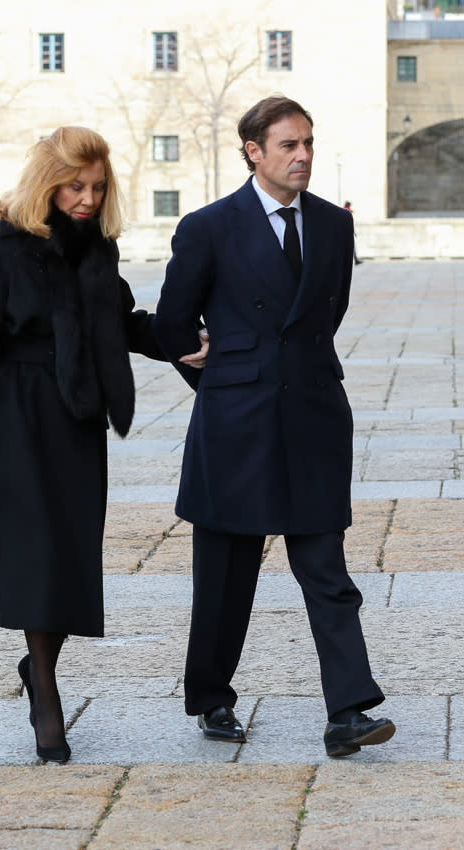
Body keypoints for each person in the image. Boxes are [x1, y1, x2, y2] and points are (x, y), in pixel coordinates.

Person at [0, 126, 208, 764]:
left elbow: (123, 326)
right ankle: (47, 697)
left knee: (69, 555)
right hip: (12, 418)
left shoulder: (95, 248)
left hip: (77, 418)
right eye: (76, 186)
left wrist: (185, 340)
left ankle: (38, 668)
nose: (86, 198)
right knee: (33, 553)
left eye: (97, 187)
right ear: (47, 182)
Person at [154, 95, 395, 758]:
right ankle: (211, 698)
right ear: (253, 152)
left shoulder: (332, 225)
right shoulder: (208, 227)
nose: (302, 156)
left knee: (325, 568)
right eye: (288, 145)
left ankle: (348, 711)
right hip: (235, 425)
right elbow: (174, 325)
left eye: (308, 143)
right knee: (226, 576)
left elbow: (326, 318)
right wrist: (225, 376)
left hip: (313, 417)